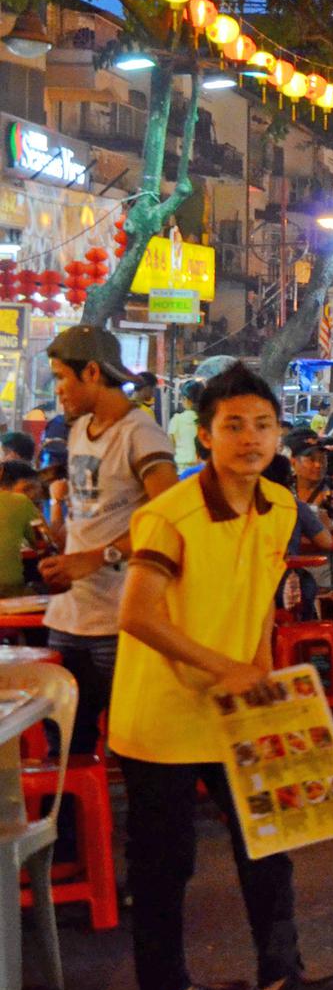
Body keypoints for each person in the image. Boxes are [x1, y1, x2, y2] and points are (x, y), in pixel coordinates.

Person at [111, 363, 333, 990]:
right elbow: (136, 615)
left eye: (263, 425)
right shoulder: (171, 513)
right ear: (205, 437)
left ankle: (282, 980)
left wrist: (259, 675)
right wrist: (225, 667)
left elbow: (257, 600)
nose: (251, 438)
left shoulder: (280, 509)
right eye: (234, 426)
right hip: (159, 715)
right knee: (166, 864)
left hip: (234, 708)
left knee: (270, 839)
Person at [42, 325, 180, 758]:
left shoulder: (142, 434)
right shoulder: (80, 428)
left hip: (120, 617)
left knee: (133, 739)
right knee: (63, 741)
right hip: (70, 616)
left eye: (62, 377)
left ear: (93, 373)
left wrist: (99, 557)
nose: (58, 389)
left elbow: (171, 519)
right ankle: (71, 827)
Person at [0, 459, 48, 595]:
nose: (33, 495)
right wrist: (57, 502)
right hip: (8, 592)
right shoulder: (19, 501)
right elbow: (45, 546)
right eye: (27, 489)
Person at [168, 380, 203, 469]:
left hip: (181, 469)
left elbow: (170, 447)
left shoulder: (177, 420)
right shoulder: (206, 420)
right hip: (201, 468)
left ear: (185, 399)